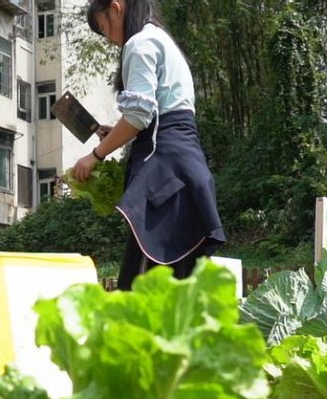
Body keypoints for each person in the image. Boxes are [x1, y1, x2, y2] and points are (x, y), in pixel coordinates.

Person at [71, 0, 226, 291]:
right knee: (178, 294)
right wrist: (117, 129)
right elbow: (155, 115)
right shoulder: (163, 41)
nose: (111, 40)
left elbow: (139, 117)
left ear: (117, 7)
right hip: (185, 170)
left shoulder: (140, 43)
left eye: (105, 29)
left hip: (164, 176)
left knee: (139, 292)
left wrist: (94, 156)